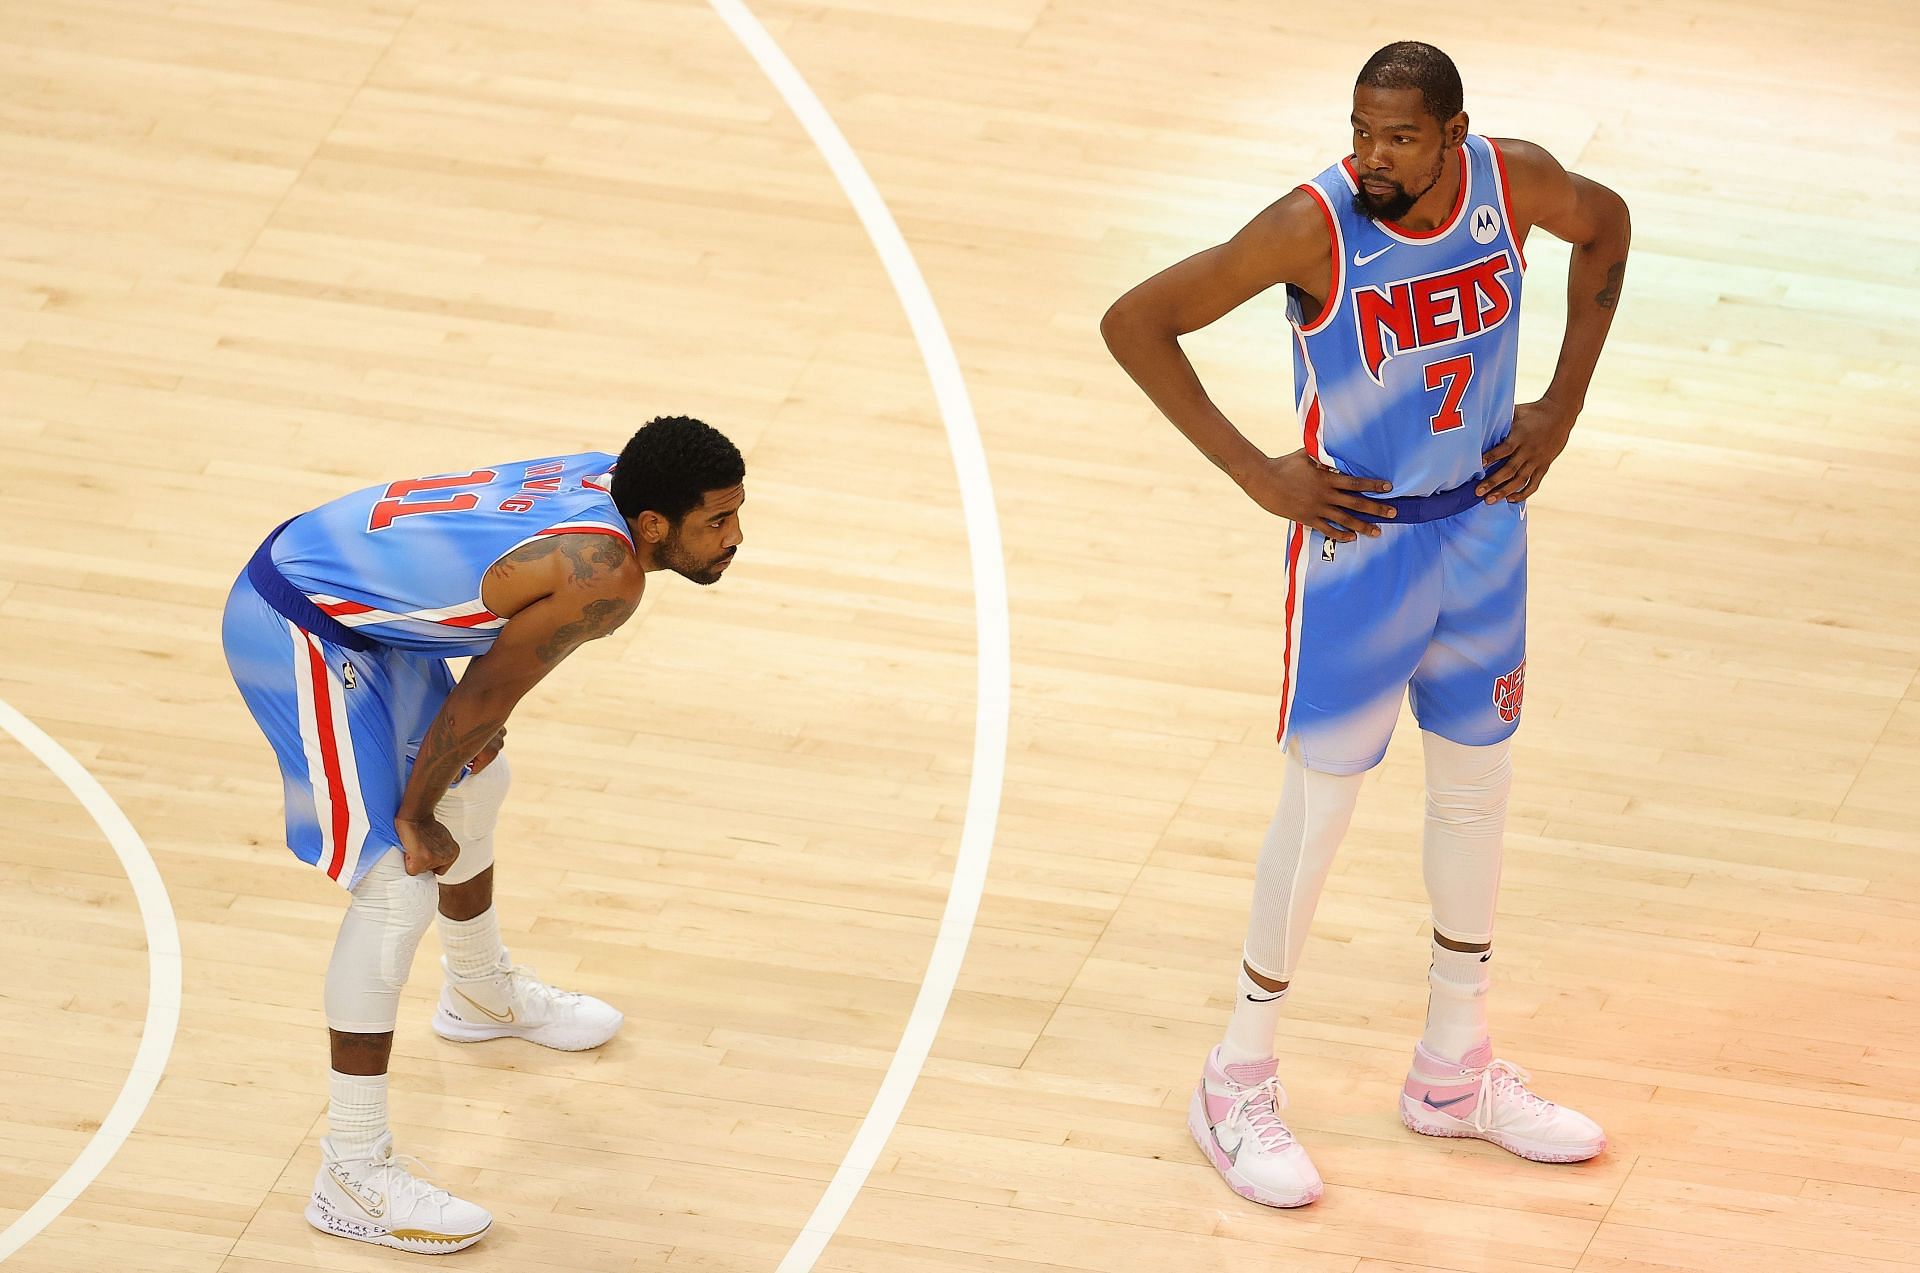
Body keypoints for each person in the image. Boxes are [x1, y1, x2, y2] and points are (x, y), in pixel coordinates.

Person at [1101, 41, 1630, 1208]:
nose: (1371, 156)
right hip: (1361, 549)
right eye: (1359, 131)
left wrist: (1563, 405)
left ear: (1452, 133)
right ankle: (1233, 1077)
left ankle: (1455, 1068)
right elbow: (1136, 319)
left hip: (1485, 533)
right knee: (1322, 807)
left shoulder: (1517, 183)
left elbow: (1612, 226)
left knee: (1476, 794)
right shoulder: (1314, 226)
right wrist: (1254, 472)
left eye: (1396, 136)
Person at [221, 415, 745, 1252]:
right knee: (397, 881)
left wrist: (452, 767)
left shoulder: (615, 478)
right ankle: (351, 1171)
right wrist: (416, 809)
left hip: (360, 607)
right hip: (300, 622)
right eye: (717, 520)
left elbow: (486, 612)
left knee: (478, 776)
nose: (734, 537)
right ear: (653, 524)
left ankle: (476, 992)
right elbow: (485, 696)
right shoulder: (607, 573)